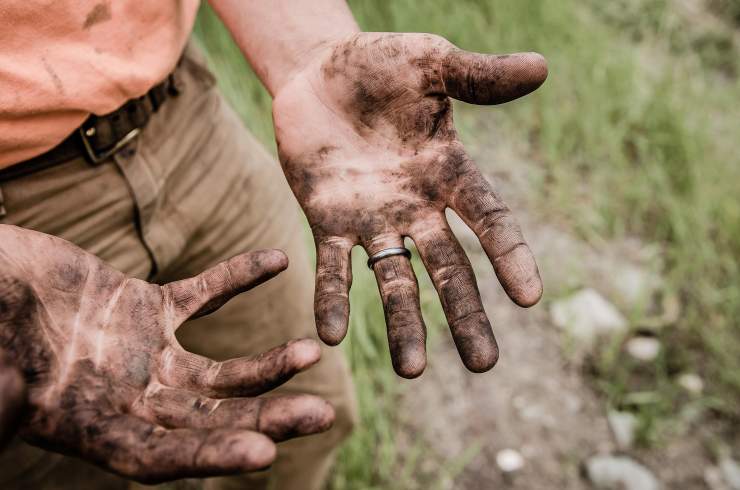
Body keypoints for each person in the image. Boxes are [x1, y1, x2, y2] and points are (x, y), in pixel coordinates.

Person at [0, 1, 547, 488]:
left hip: (183, 119)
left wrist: (309, 50)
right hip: (17, 219)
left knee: (303, 421)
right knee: (64, 464)